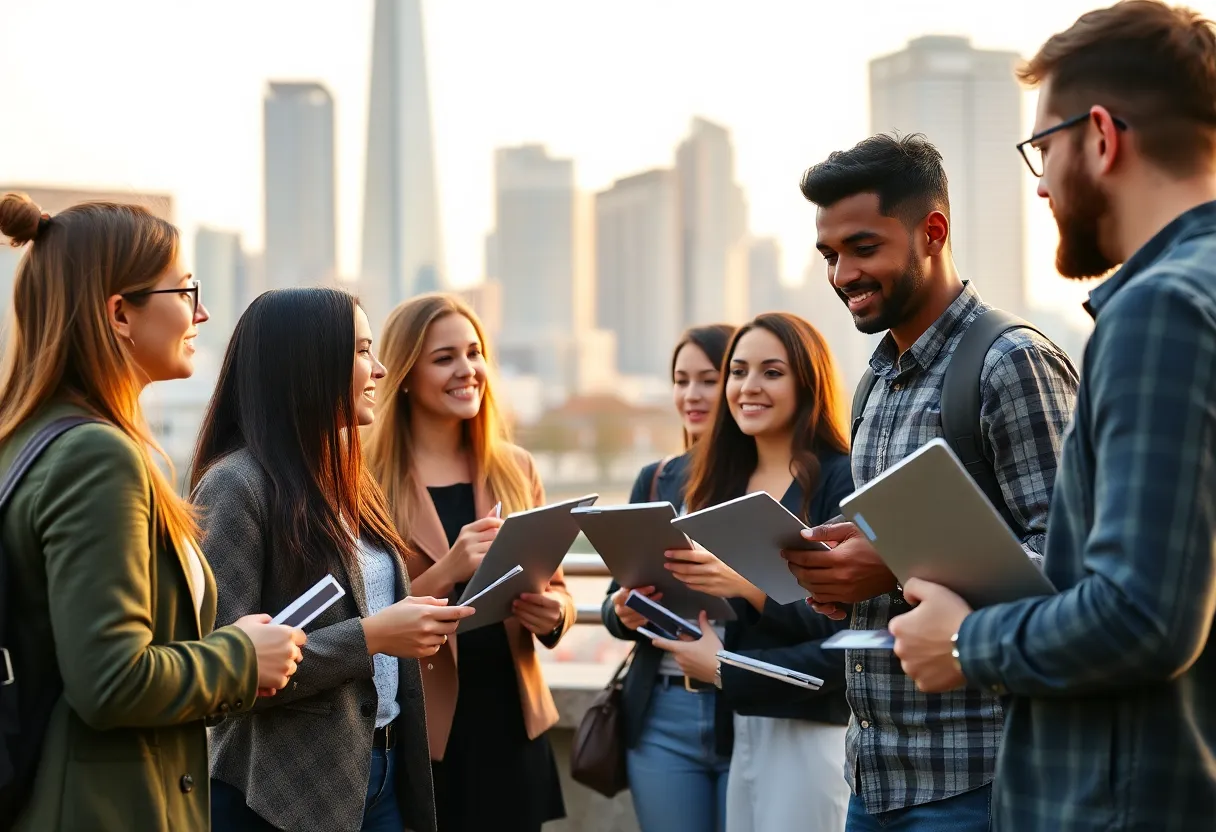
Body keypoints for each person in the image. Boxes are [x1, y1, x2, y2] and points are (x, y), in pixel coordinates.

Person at [890, 3, 1216, 830]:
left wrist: (967, 644)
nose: (1037, 182)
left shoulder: (1162, 312)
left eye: (1043, 147)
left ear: (1101, 137)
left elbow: (1142, 616)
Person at [790, 135, 1080, 831]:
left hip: (979, 780)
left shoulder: (1011, 363)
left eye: (862, 248)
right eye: (829, 255)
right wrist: (841, 569)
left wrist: (890, 566)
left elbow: (1071, 578)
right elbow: (910, 545)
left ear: (934, 232)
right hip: (874, 779)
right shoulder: (871, 385)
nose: (841, 275)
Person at [0, 194, 303, 832]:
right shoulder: (96, 456)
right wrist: (242, 656)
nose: (202, 311)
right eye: (185, 290)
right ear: (120, 313)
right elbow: (110, 679)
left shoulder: (29, 443)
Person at [192, 288, 471, 832]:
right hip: (280, 798)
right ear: (309, 365)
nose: (382, 370)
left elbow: (374, 613)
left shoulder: (348, 479)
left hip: (383, 766)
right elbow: (222, 673)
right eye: (363, 352)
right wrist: (371, 637)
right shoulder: (236, 486)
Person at [365, 293, 575, 832]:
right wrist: (449, 569)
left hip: (511, 717)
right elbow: (361, 611)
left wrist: (553, 614)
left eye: (475, 352)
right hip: (426, 727)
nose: (468, 370)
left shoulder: (514, 466)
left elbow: (557, 587)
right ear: (405, 373)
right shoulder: (367, 476)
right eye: (444, 358)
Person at [660, 313, 854, 832]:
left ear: (806, 383)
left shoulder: (840, 478)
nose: (748, 387)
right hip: (735, 726)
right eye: (739, 371)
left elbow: (845, 636)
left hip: (808, 730)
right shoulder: (721, 479)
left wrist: (744, 587)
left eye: (771, 372)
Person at [600, 324, 736, 832]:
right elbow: (617, 605)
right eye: (681, 381)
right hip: (659, 713)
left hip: (743, 707)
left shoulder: (765, 481)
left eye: (708, 379)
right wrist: (621, 610)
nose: (691, 395)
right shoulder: (657, 479)